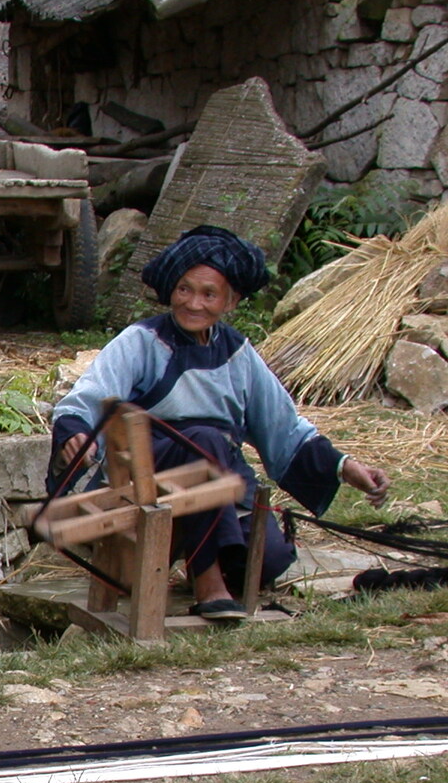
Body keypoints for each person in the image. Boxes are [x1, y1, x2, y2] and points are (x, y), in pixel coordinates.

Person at [49, 225, 389, 621]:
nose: (194, 303)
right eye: (184, 290)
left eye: (209, 294)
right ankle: (209, 584)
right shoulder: (140, 341)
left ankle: (203, 558)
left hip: (219, 474)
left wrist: (346, 467)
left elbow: (284, 425)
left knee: (270, 560)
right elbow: (89, 396)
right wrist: (76, 432)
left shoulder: (239, 354)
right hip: (146, 474)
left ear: (231, 301)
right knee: (205, 441)